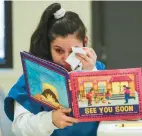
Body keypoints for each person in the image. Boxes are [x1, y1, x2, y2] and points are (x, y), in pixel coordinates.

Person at [4, 3, 105, 136]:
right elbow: (19, 127)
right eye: (58, 50)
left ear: (84, 43)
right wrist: (50, 120)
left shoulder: (98, 69)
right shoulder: (31, 78)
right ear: (49, 47)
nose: (65, 58)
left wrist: (92, 74)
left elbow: (109, 109)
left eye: (73, 51)